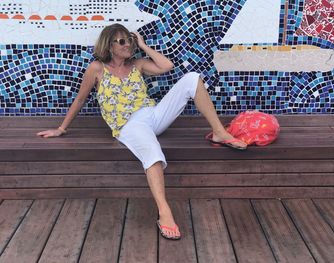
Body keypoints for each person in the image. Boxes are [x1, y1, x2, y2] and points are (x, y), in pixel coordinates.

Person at [37, 23, 247, 240]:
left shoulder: (137, 64)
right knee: (153, 155)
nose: (127, 44)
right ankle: (164, 211)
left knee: (192, 79)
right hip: (128, 126)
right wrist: (61, 128)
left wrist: (143, 45)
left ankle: (220, 132)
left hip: (153, 115)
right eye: (122, 41)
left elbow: (167, 66)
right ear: (109, 45)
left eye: (129, 40)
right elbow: (80, 99)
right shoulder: (97, 69)